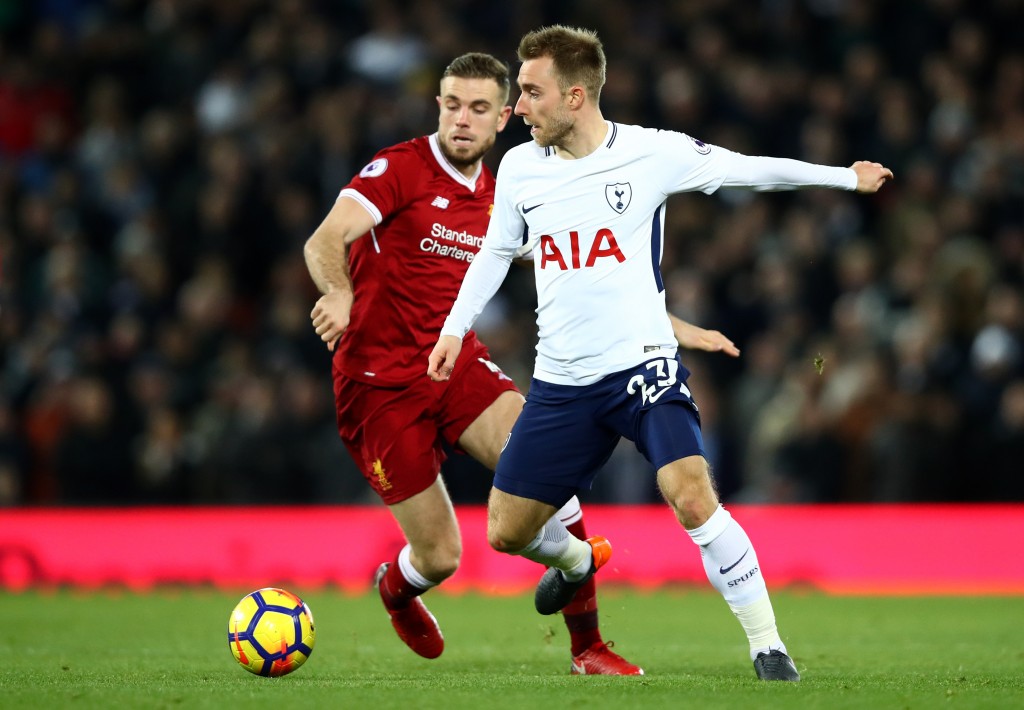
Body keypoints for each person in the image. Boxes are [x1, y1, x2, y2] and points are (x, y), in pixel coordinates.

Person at [428, 26, 894, 681]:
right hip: (562, 383)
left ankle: (768, 647)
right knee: (506, 531)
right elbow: (498, 251)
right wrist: (454, 328)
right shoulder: (522, 168)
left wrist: (845, 178)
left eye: (531, 92)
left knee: (691, 495)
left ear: (575, 96)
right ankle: (578, 560)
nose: (518, 106)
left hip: (641, 367)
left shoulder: (651, 153)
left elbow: (748, 169)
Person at [304, 52, 738, 674]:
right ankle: (397, 589)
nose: (462, 119)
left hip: (455, 369)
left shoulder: (511, 190)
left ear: (504, 117)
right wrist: (339, 292)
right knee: (441, 557)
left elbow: (587, 270)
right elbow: (324, 238)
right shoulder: (399, 169)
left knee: (550, 474)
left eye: (479, 108)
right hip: (378, 388)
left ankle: (587, 648)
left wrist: (675, 326)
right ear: (438, 108)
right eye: (453, 105)